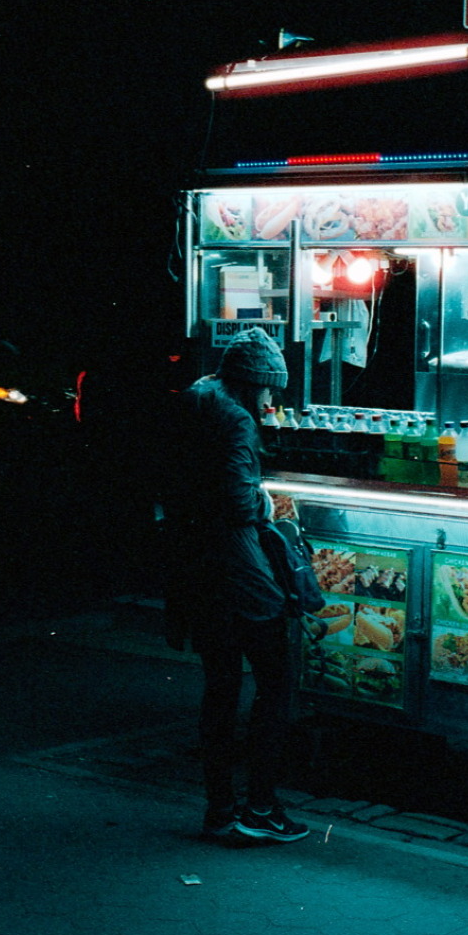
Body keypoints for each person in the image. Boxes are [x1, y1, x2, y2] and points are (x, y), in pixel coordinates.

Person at [161, 326, 309, 844]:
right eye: (270, 391)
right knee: (275, 683)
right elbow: (239, 502)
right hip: (238, 572)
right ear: (254, 383)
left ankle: (220, 809)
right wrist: (265, 502)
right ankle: (263, 806)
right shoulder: (238, 419)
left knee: (220, 687)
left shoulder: (197, 398)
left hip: (194, 569)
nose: (272, 402)